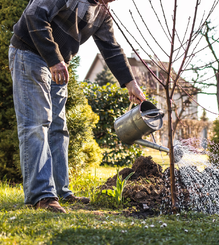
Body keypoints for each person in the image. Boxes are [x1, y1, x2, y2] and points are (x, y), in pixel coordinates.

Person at [8, 0, 146, 213]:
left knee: (58, 128)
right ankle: (42, 196)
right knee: (37, 124)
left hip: (58, 63)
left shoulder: (102, 11)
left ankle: (61, 192)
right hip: (30, 53)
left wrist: (132, 84)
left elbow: (112, 48)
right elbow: (34, 15)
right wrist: (54, 60)